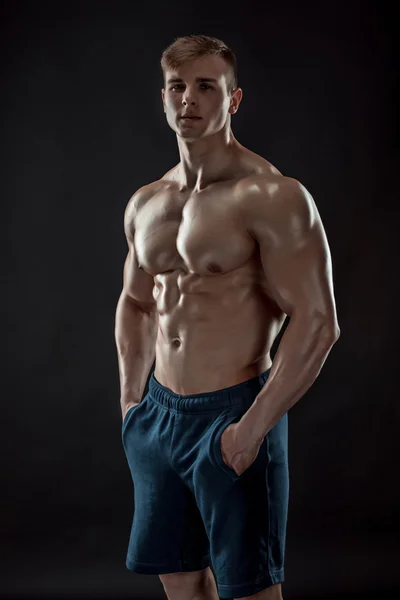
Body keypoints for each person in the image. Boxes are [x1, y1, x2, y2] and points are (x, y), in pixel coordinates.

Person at [115, 34, 340, 600]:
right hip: (160, 415)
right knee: (181, 581)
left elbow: (317, 321)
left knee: (249, 589)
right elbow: (137, 302)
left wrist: (253, 429)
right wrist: (130, 403)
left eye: (205, 86)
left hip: (234, 411)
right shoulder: (148, 201)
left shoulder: (273, 196)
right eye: (177, 86)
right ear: (162, 97)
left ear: (233, 99)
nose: (188, 99)